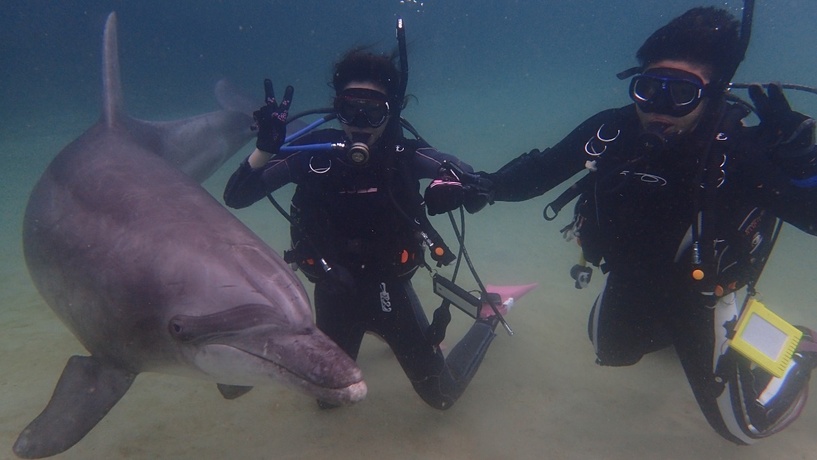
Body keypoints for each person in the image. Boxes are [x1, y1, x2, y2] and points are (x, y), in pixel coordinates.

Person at [471, 7, 817, 444]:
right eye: (649, 88)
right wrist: (481, 186)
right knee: (610, 348)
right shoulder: (614, 130)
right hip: (636, 273)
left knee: (746, 429)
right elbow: (541, 172)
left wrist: (804, 166)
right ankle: (677, 331)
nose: (658, 108)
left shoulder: (738, 150)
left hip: (707, 290)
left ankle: (801, 349)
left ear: (713, 94)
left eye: (682, 93)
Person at [223, 48, 499, 410]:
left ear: (391, 113)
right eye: (349, 109)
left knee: (441, 395)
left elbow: (467, 174)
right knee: (330, 400)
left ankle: (488, 318)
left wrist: (453, 187)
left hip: (389, 289)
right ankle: (373, 330)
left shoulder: (403, 155)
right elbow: (237, 196)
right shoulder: (312, 154)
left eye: (373, 112)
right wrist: (263, 151)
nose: (360, 123)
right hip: (333, 287)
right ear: (336, 109)